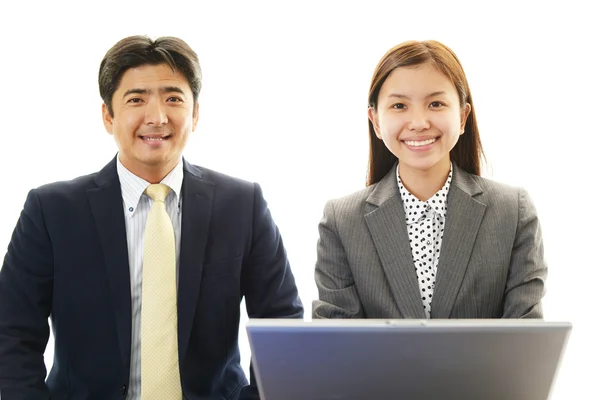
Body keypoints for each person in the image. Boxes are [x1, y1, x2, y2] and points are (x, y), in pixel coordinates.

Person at [0, 35, 303, 399]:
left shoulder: (243, 205)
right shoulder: (51, 211)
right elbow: (12, 332)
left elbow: (282, 324)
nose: (157, 117)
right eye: (136, 99)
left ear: (195, 114)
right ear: (107, 116)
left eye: (173, 98)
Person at [312, 40, 546, 320]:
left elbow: (525, 342)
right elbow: (336, 346)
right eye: (399, 105)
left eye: (436, 103)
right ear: (375, 121)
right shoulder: (342, 221)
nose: (419, 122)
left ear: (462, 116)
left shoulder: (513, 212)